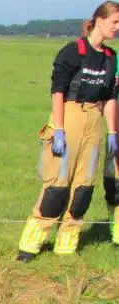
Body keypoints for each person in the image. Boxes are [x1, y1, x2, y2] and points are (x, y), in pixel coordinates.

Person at [17, 2, 119, 262]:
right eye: (114, 22)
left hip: (95, 119)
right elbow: (58, 92)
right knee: (57, 185)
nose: (117, 28)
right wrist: (59, 130)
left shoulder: (111, 58)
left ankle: (67, 246)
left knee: (84, 187)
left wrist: (112, 132)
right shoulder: (73, 51)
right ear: (98, 20)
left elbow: (110, 97)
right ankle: (30, 246)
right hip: (69, 116)